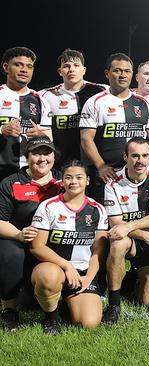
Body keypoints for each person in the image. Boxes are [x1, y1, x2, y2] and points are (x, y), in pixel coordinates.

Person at [30, 160, 109, 334]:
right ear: (62, 181)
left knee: (88, 323)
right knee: (47, 276)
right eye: (68, 177)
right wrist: (67, 266)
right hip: (55, 268)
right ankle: (52, 317)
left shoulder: (98, 210)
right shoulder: (49, 206)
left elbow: (98, 251)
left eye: (79, 177)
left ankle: (66, 302)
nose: (74, 182)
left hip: (82, 274)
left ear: (87, 180)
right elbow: (37, 246)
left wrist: (88, 277)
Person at [102, 138, 149, 323]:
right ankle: (114, 305)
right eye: (135, 156)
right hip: (134, 240)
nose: (140, 161)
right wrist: (143, 234)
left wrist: (130, 225)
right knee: (117, 244)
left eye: (145, 155)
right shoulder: (112, 183)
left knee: (147, 301)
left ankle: (132, 277)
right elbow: (116, 223)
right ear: (125, 157)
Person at [79, 53, 149, 202]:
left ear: (132, 74)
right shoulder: (95, 102)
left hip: (138, 173)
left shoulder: (144, 103)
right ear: (107, 73)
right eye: (117, 70)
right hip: (107, 174)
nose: (123, 75)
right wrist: (101, 166)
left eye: (127, 71)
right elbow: (86, 139)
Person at [0, 137, 62, 331]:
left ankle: (55, 308)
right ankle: (9, 310)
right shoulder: (11, 182)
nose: (42, 158)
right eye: (36, 153)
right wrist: (19, 234)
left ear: (54, 156)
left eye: (47, 153)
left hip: (52, 242)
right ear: (27, 157)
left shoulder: (64, 180)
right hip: (20, 241)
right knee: (10, 253)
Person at [39, 49, 107, 169]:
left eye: (76, 65)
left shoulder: (102, 91)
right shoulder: (45, 95)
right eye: (66, 66)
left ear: (84, 70)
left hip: (94, 163)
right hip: (60, 164)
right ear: (60, 71)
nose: (71, 69)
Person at [0, 46, 51, 179]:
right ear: (6, 67)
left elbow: (48, 138)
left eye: (29, 66)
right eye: (18, 65)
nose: (24, 70)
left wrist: (40, 135)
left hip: (27, 172)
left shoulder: (40, 100)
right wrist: (1, 129)